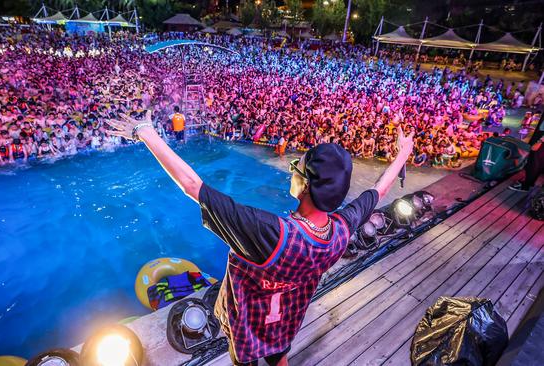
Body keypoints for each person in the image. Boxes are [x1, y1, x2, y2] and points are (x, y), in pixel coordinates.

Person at [108, 110, 414, 366]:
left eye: (297, 168)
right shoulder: (340, 231)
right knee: (280, 356)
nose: (292, 172)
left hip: (247, 327)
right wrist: (403, 154)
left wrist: (145, 132)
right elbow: (379, 191)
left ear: (305, 185)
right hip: (287, 321)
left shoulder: (268, 233)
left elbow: (192, 185)